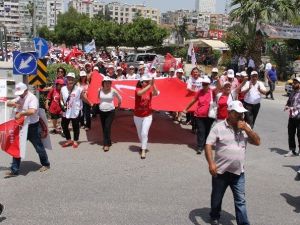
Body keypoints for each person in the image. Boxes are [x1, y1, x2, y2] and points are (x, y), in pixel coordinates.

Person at [205, 100, 261, 225]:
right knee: (216, 199)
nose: (241, 116)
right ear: (229, 113)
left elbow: (257, 142)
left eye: (242, 113)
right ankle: (214, 216)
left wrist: (247, 129)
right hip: (220, 172)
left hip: (238, 172)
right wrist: (211, 163)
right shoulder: (218, 127)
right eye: (238, 113)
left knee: (240, 201)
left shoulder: (245, 127)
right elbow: (208, 144)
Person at [6, 82, 51, 176]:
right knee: (17, 147)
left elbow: (32, 111)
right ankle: (14, 170)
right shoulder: (19, 97)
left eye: (21, 93)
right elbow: (8, 103)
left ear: (26, 90)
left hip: (32, 127)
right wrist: (13, 104)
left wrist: (21, 113)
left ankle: (46, 164)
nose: (20, 95)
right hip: (21, 126)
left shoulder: (32, 98)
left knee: (39, 147)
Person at [184, 76, 216, 154]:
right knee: (201, 131)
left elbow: (220, 88)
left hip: (209, 116)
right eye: (203, 84)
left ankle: (205, 144)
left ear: (209, 84)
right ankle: (200, 147)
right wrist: (186, 108)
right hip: (199, 115)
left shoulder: (212, 92)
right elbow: (193, 100)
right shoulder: (199, 92)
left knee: (207, 131)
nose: (204, 85)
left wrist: (218, 80)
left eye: (206, 84)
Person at [60, 72, 92, 148]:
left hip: (75, 111)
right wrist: (62, 106)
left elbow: (83, 98)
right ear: (66, 80)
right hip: (66, 110)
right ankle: (68, 139)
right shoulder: (63, 88)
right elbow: (61, 99)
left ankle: (75, 140)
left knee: (75, 127)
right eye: (68, 79)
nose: (69, 80)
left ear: (74, 80)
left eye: (71, 79)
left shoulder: (79, 89)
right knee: (64, 125)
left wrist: (90, 103)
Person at [134, 74, 159, 159]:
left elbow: (156, 93)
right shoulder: (137, 89)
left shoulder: (149, 89)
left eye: (148, 81)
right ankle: (142, 145)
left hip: (147, 115)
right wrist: (150, 85)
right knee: (140, 133)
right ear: (141, 83)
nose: (147, 82)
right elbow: (140, 93)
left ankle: (143, 150)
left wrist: (153, 84)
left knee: (144, 133)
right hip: (137, 115)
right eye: (146, 81)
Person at [98, 77, 122, 152]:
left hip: (110, 111)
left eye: (109, 82)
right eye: (106, 82)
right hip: (101, 111)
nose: (107, 84)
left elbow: (120, 98)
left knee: (107, 127)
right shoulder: (99, 90)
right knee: (104, 127)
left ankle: (106, 144)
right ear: (103, 83)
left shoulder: (113, 91)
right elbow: (99, 98)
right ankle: (108, 141)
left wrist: (118, 106)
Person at [284, 77, 300, 159]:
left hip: (299, 117)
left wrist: (293, 108)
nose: (293, 84)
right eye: (293, 83)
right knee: (291, 133)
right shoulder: (292, 92)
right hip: (292, 116)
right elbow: (289, 101)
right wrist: (287, 106)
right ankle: (292, 150)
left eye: (295, 83)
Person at [185, 67, 203, 132]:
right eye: (194, 72)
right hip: (192, 98)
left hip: (200, 98)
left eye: (196, 72)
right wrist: (194, 91)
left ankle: (196, 126)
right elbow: (188, 88)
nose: (195, 73)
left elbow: (203, 88)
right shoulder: (190, 79)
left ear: (198, 73)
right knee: (193, 113)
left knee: (198, 113)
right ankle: (194, 127)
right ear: (192, 73)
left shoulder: (201, 80)